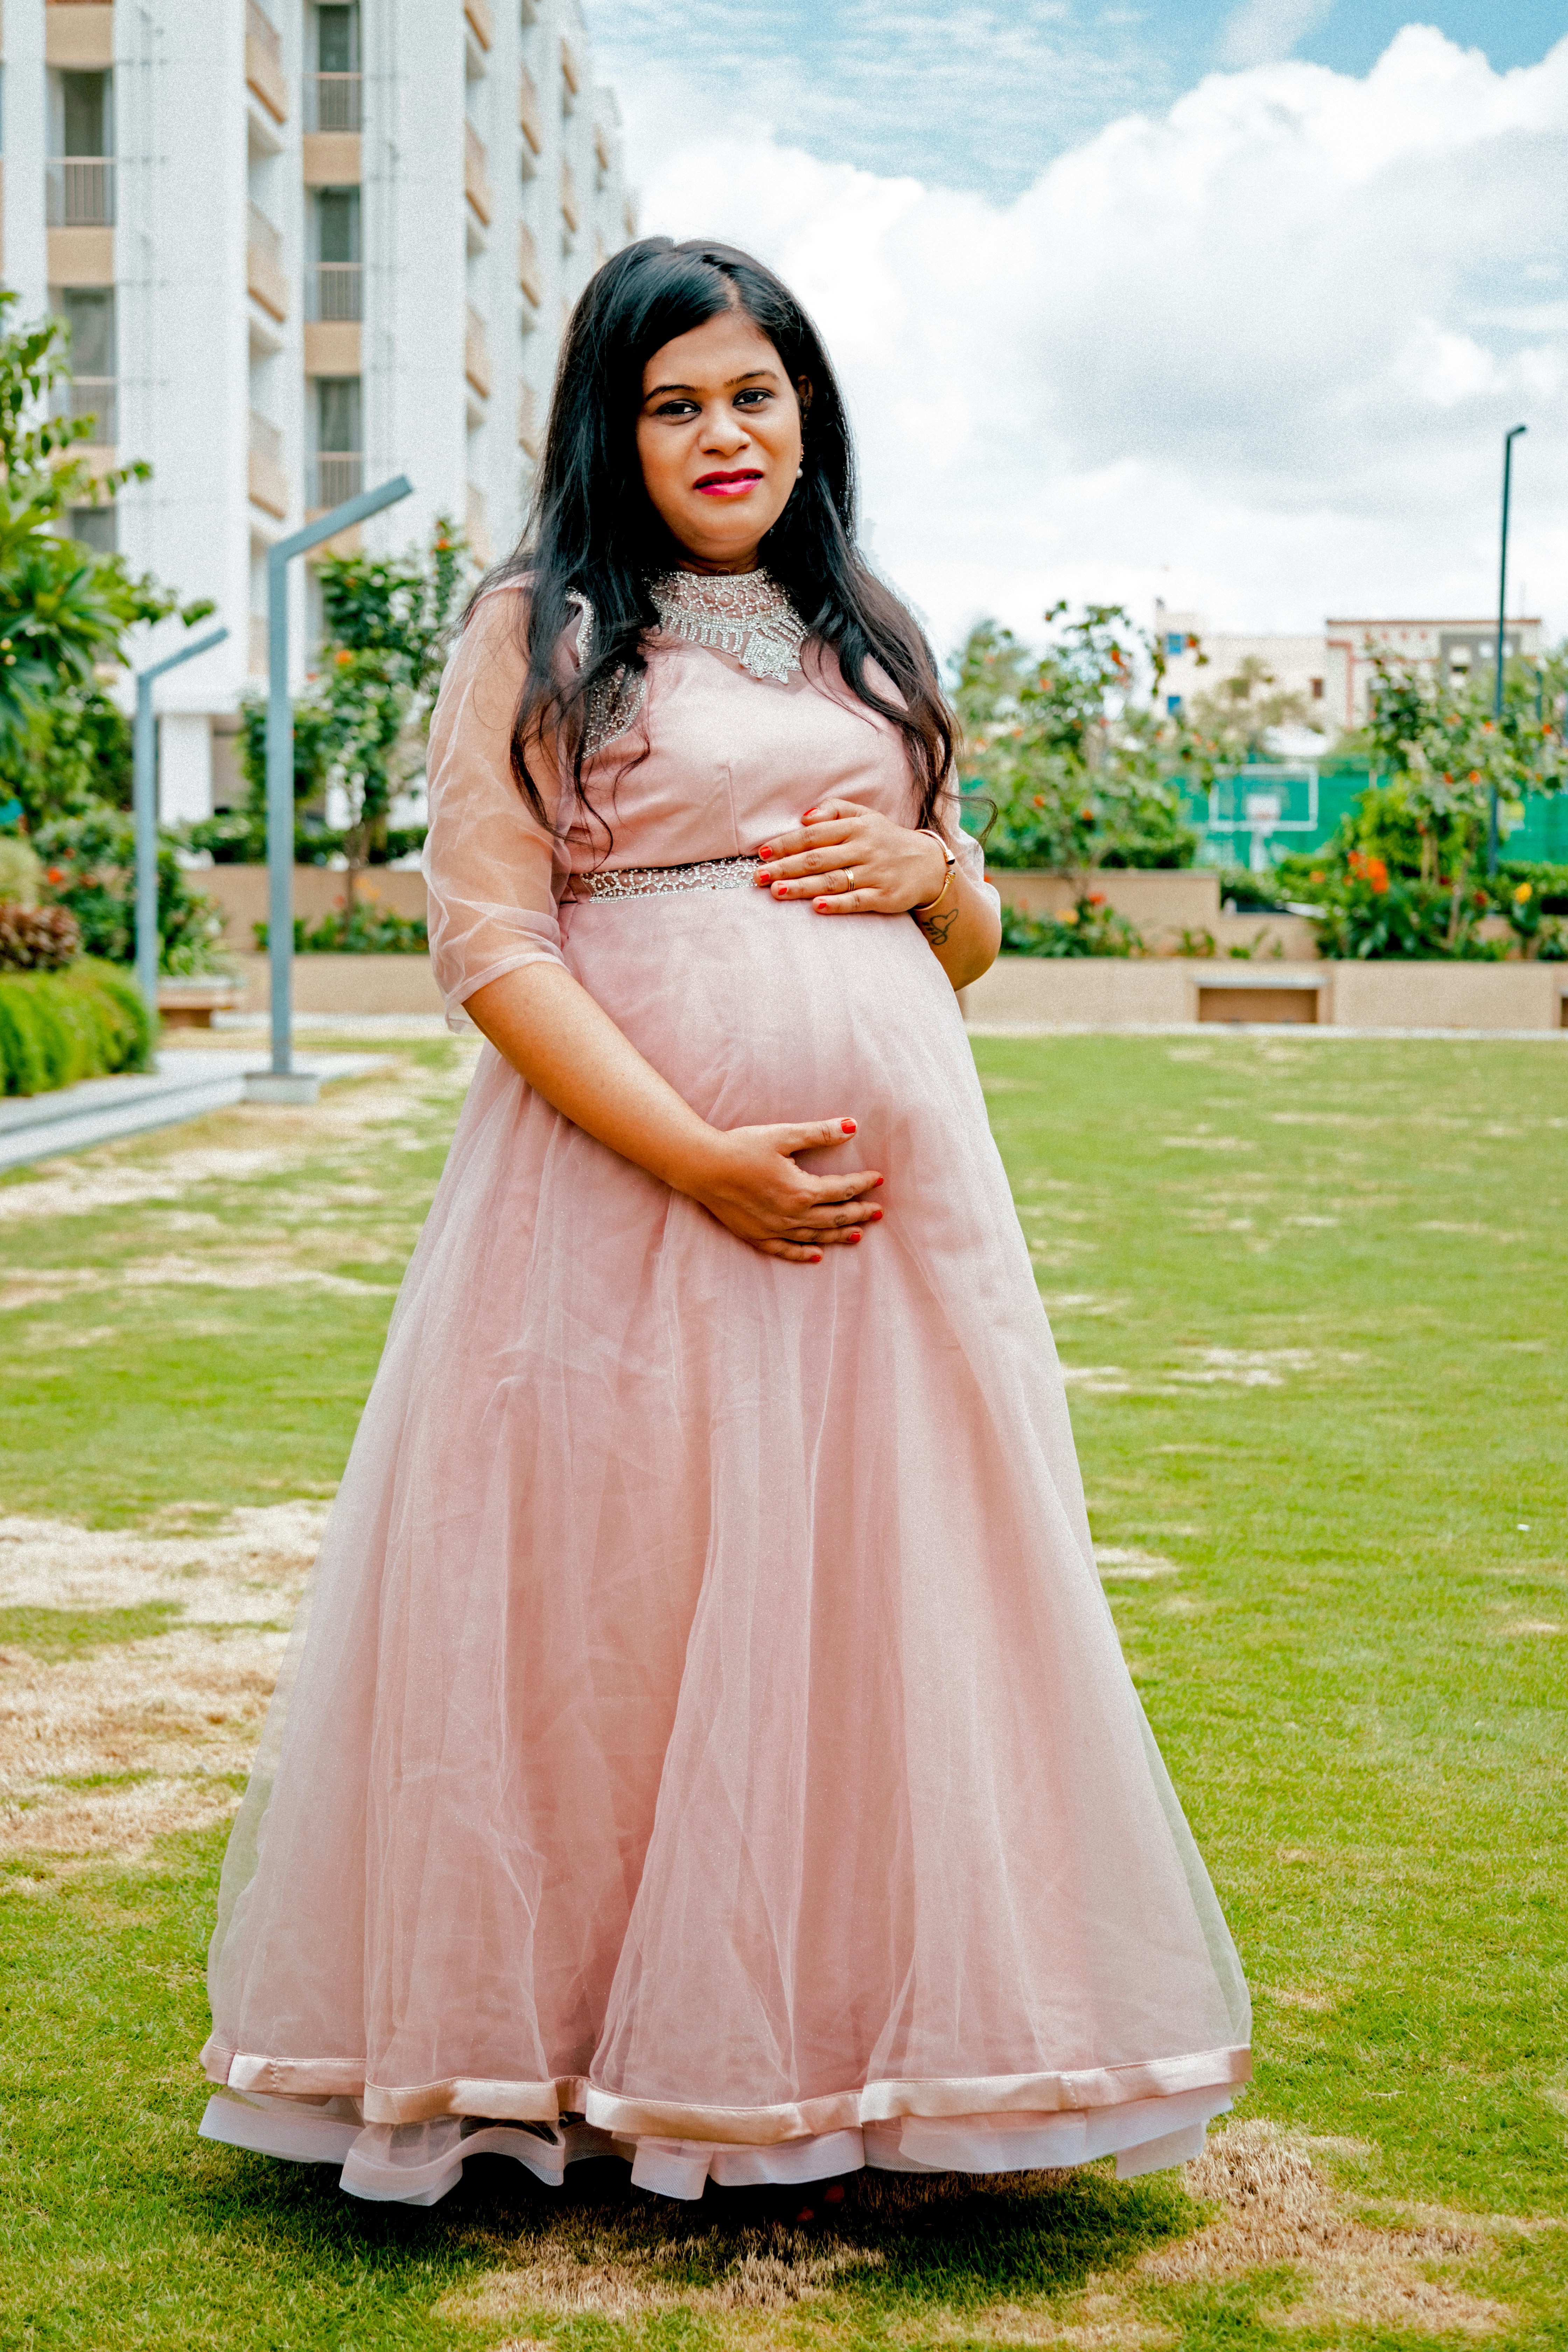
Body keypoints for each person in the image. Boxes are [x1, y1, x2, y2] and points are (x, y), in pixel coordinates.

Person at [199, 238, 1250, 2209]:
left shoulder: (872, 631)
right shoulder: (539, 626)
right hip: (622, 1199)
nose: (720, 433)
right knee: (615, 1598)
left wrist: (930, 872)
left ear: (806, 410)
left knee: (872, 1592)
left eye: (752, 393)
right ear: (615, 426)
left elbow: (977, 933)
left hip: (892, 1235)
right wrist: (695, 1153)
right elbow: (492, 943)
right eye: (673, 401)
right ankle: (571, 2054)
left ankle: (849, 2054)